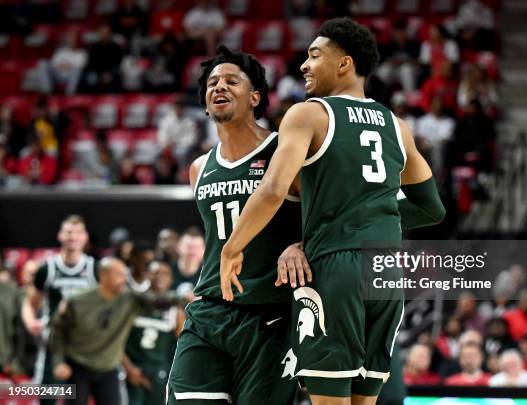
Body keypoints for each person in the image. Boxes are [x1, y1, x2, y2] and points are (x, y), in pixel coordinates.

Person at [220, 17, 445, 404]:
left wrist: (231, 248)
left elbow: (273, 189)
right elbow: (431, 207)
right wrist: (370, 217)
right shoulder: (397, 125)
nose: (304, 66)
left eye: (314, 55)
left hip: (335, 269)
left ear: (344, 64)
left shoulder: (309, 114)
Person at [165, 45, 305, 404]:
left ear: (255, 97)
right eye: (212, 83)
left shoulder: (283, 152)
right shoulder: (199, 167)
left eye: (231, 81)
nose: (219, 87)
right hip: (210, 310)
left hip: (270, 315)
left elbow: (330, 218)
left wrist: (301, 244)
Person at [50, 257, 181, 405]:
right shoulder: (77, 300)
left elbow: (157, 301)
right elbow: (58, 331)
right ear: (103, 275)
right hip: (78, 366)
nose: (124, 279)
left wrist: (184, 298)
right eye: (119, 275)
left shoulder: (129, 299)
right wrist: (58, 362)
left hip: (109, 368)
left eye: (125, 275)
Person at [21, 215, 97, 405]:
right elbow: (30, 303)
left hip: (82, 347)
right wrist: (31, 322)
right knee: (48, 398)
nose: (73, 237)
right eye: (69, 232)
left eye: (78, 232)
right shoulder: (47, 269)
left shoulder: (94, 268)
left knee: (77, 400)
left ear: (85, 237)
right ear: (60, 235)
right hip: (53, 346)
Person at [124, 260, 185, 405]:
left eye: (165, 274)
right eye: (155, 273)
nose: (159, 277)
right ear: (146, 275)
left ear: (171, 279)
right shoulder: (133, 302)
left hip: (160, 373)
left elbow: (180, 347)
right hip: (132, 369)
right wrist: (129, 369)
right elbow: (116, 341)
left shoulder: (175, 311)